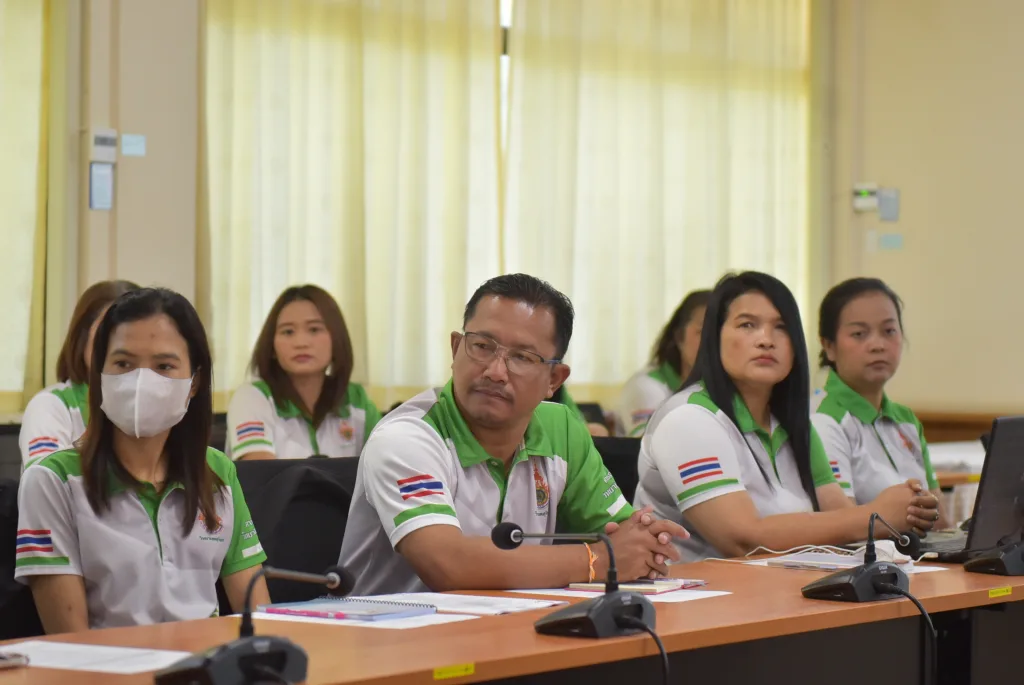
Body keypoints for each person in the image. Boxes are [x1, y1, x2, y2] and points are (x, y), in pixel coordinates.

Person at [340, 274, 688, 595]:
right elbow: (447, 565)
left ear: (554, 380)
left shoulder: (561, 429)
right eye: (482, 346)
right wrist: (599, 560)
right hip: (388, 633)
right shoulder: (406, 438)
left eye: (521, 357)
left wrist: (644, 544)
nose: (495, 372)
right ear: (456, 349)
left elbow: (627, 536)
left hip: (510, 626)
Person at [632, 272, 939, 563]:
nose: (766, 340)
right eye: (747, 325)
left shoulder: (795, 427)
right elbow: (743, 540)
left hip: (783, 590)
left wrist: (906, 509)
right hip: (698, 597)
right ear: (714, 338)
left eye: (781, 327)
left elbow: (841, 519)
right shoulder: (688, 419)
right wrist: (875, 516)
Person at [15, 288, 269, 632]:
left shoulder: (217, 471)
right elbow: (71, 641)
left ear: (194, 382)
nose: (141, 382)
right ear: (99, 373)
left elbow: (260, 620)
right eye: (124, 364)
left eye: (164, 366)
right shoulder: (52, 481)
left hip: (207, 660)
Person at [812, 278, 949, 527]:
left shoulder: (906, 419)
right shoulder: (822, 420)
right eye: (859, 334)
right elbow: (843, 527)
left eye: (889, 331)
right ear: (829, 346)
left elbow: (940, 521)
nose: (877, 345)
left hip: (920, 549)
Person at [227, 285, 381, 460]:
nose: (301, 343)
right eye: (288, 332)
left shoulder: (356, 400)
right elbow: (260, 472)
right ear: (272, 346)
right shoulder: (252, 398)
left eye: (314, 329)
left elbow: (387, 464)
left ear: (337, 339)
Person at [19, 280, 139, 466]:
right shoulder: (50, 406)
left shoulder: (161, 405)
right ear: (83, 338)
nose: (122, 347)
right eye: (108, 335)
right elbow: (44, 479)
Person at [614, 290, 710, 437]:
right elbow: (650, 444)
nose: (713, 342)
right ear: (679, 337)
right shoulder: (646, 387)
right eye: (703, 332)